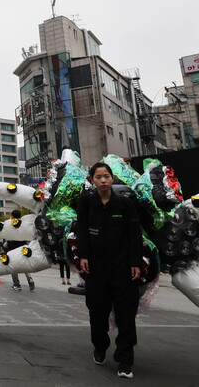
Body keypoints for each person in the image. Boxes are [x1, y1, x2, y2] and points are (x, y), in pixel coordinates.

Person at [75, 162, 142, 379]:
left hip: (122, 266)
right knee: (97, 312)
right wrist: (83, 255)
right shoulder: (86, 202)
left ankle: (125, 360)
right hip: (96, 267)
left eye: (106, 176)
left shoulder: (124, 204)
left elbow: (134, 235)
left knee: (126, 315)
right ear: (92, 180)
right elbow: (82, 230)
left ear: (112, 179)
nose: (103, 180)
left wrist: (135, 262)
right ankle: (100, 346)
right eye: (98, 177)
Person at [5, 210, 35, 291]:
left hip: (13, 248)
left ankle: (16, 284)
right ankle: (30, 278)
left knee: (13, 266)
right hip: (23, 247)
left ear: (12, 216)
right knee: (25, 264)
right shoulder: (23, 224)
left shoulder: (10, 224)